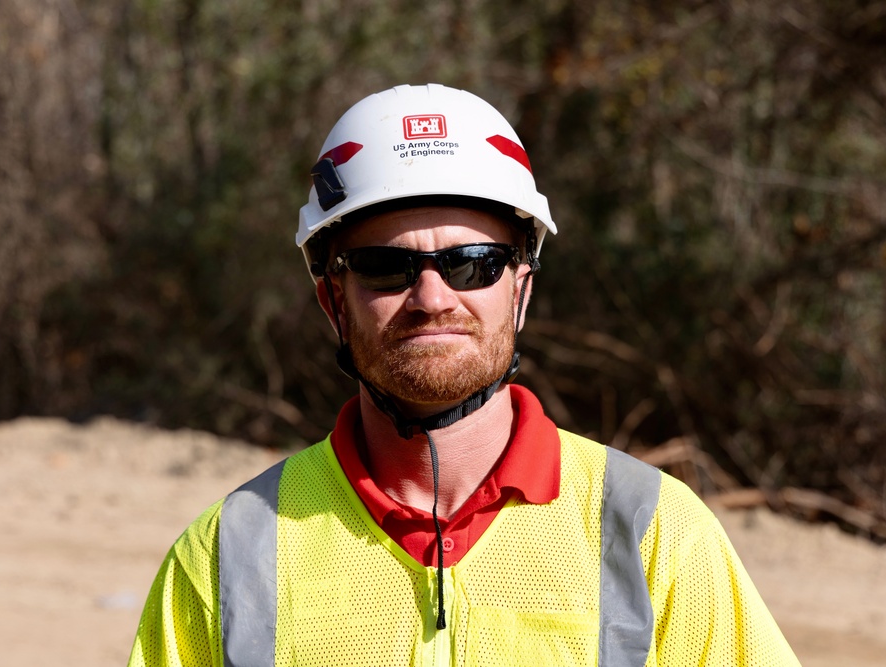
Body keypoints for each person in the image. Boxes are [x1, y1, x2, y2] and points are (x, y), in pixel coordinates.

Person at [127, 83, 801, 667]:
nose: (432, 297)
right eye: (385, 267)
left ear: (521, 289)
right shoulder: (228, 555)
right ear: (334, 299)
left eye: (472, 262)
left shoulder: (657, 534)